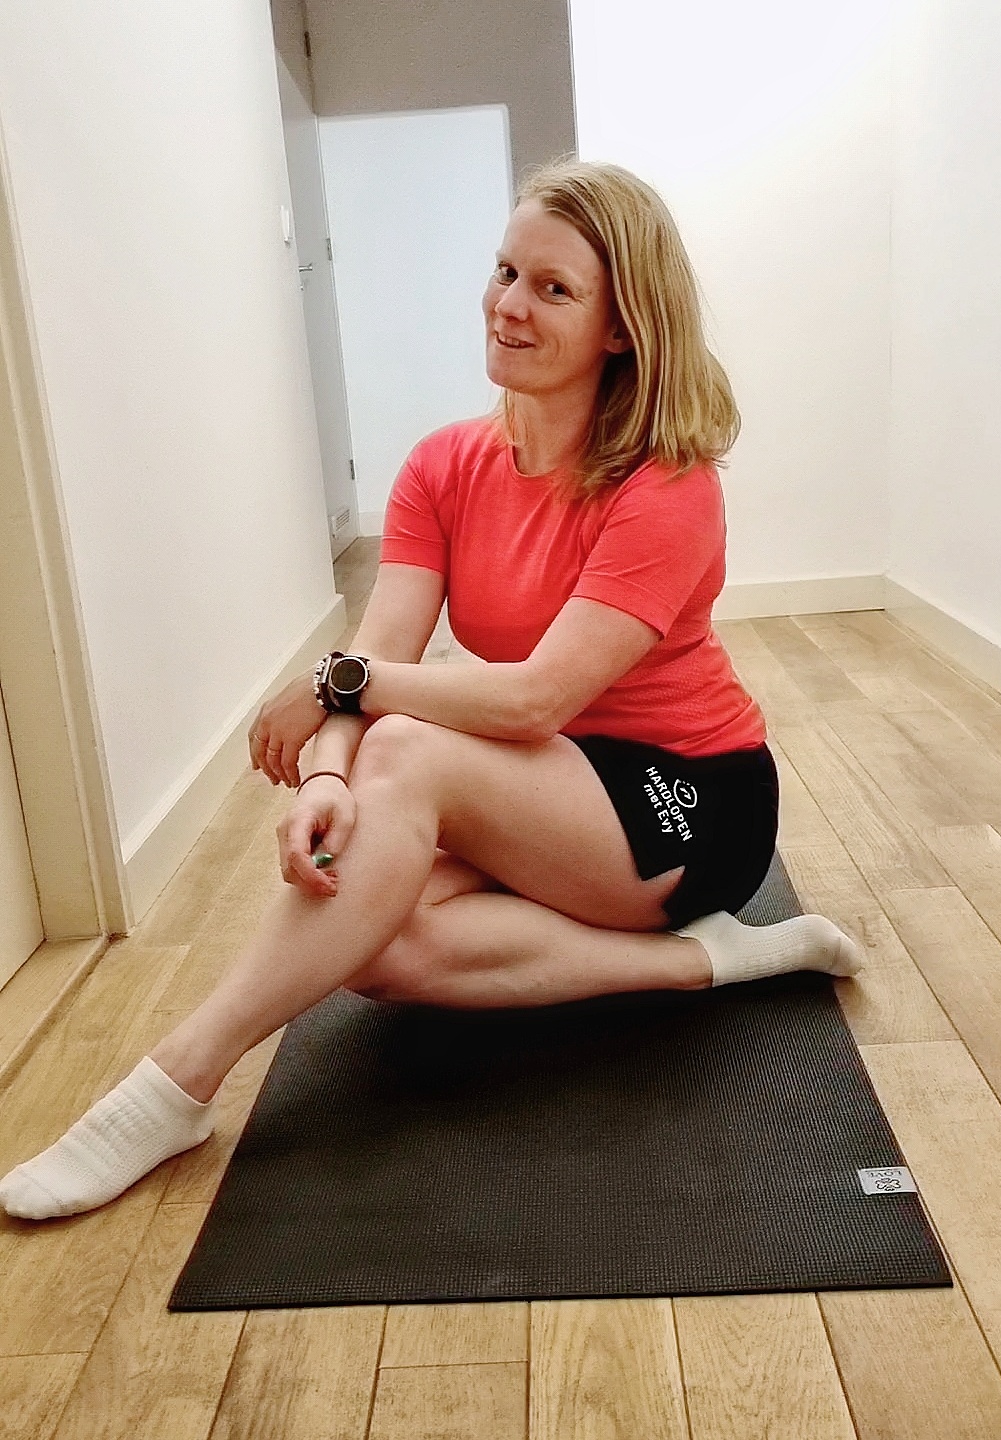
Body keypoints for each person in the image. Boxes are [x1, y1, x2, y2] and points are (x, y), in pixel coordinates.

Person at [0, 160, 861, 1221]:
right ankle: (701, 963)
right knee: (375, 942)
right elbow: (376, 654)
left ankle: (174, 1083)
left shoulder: (666, 484)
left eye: (554, 289)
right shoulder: (444, 466)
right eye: (505, 272)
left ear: (622, 328)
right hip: (555, 787)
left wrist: (340, 693)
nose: (509, 306)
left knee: (405, 746)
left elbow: (528, 700)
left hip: (691, 796)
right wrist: (327, 775)